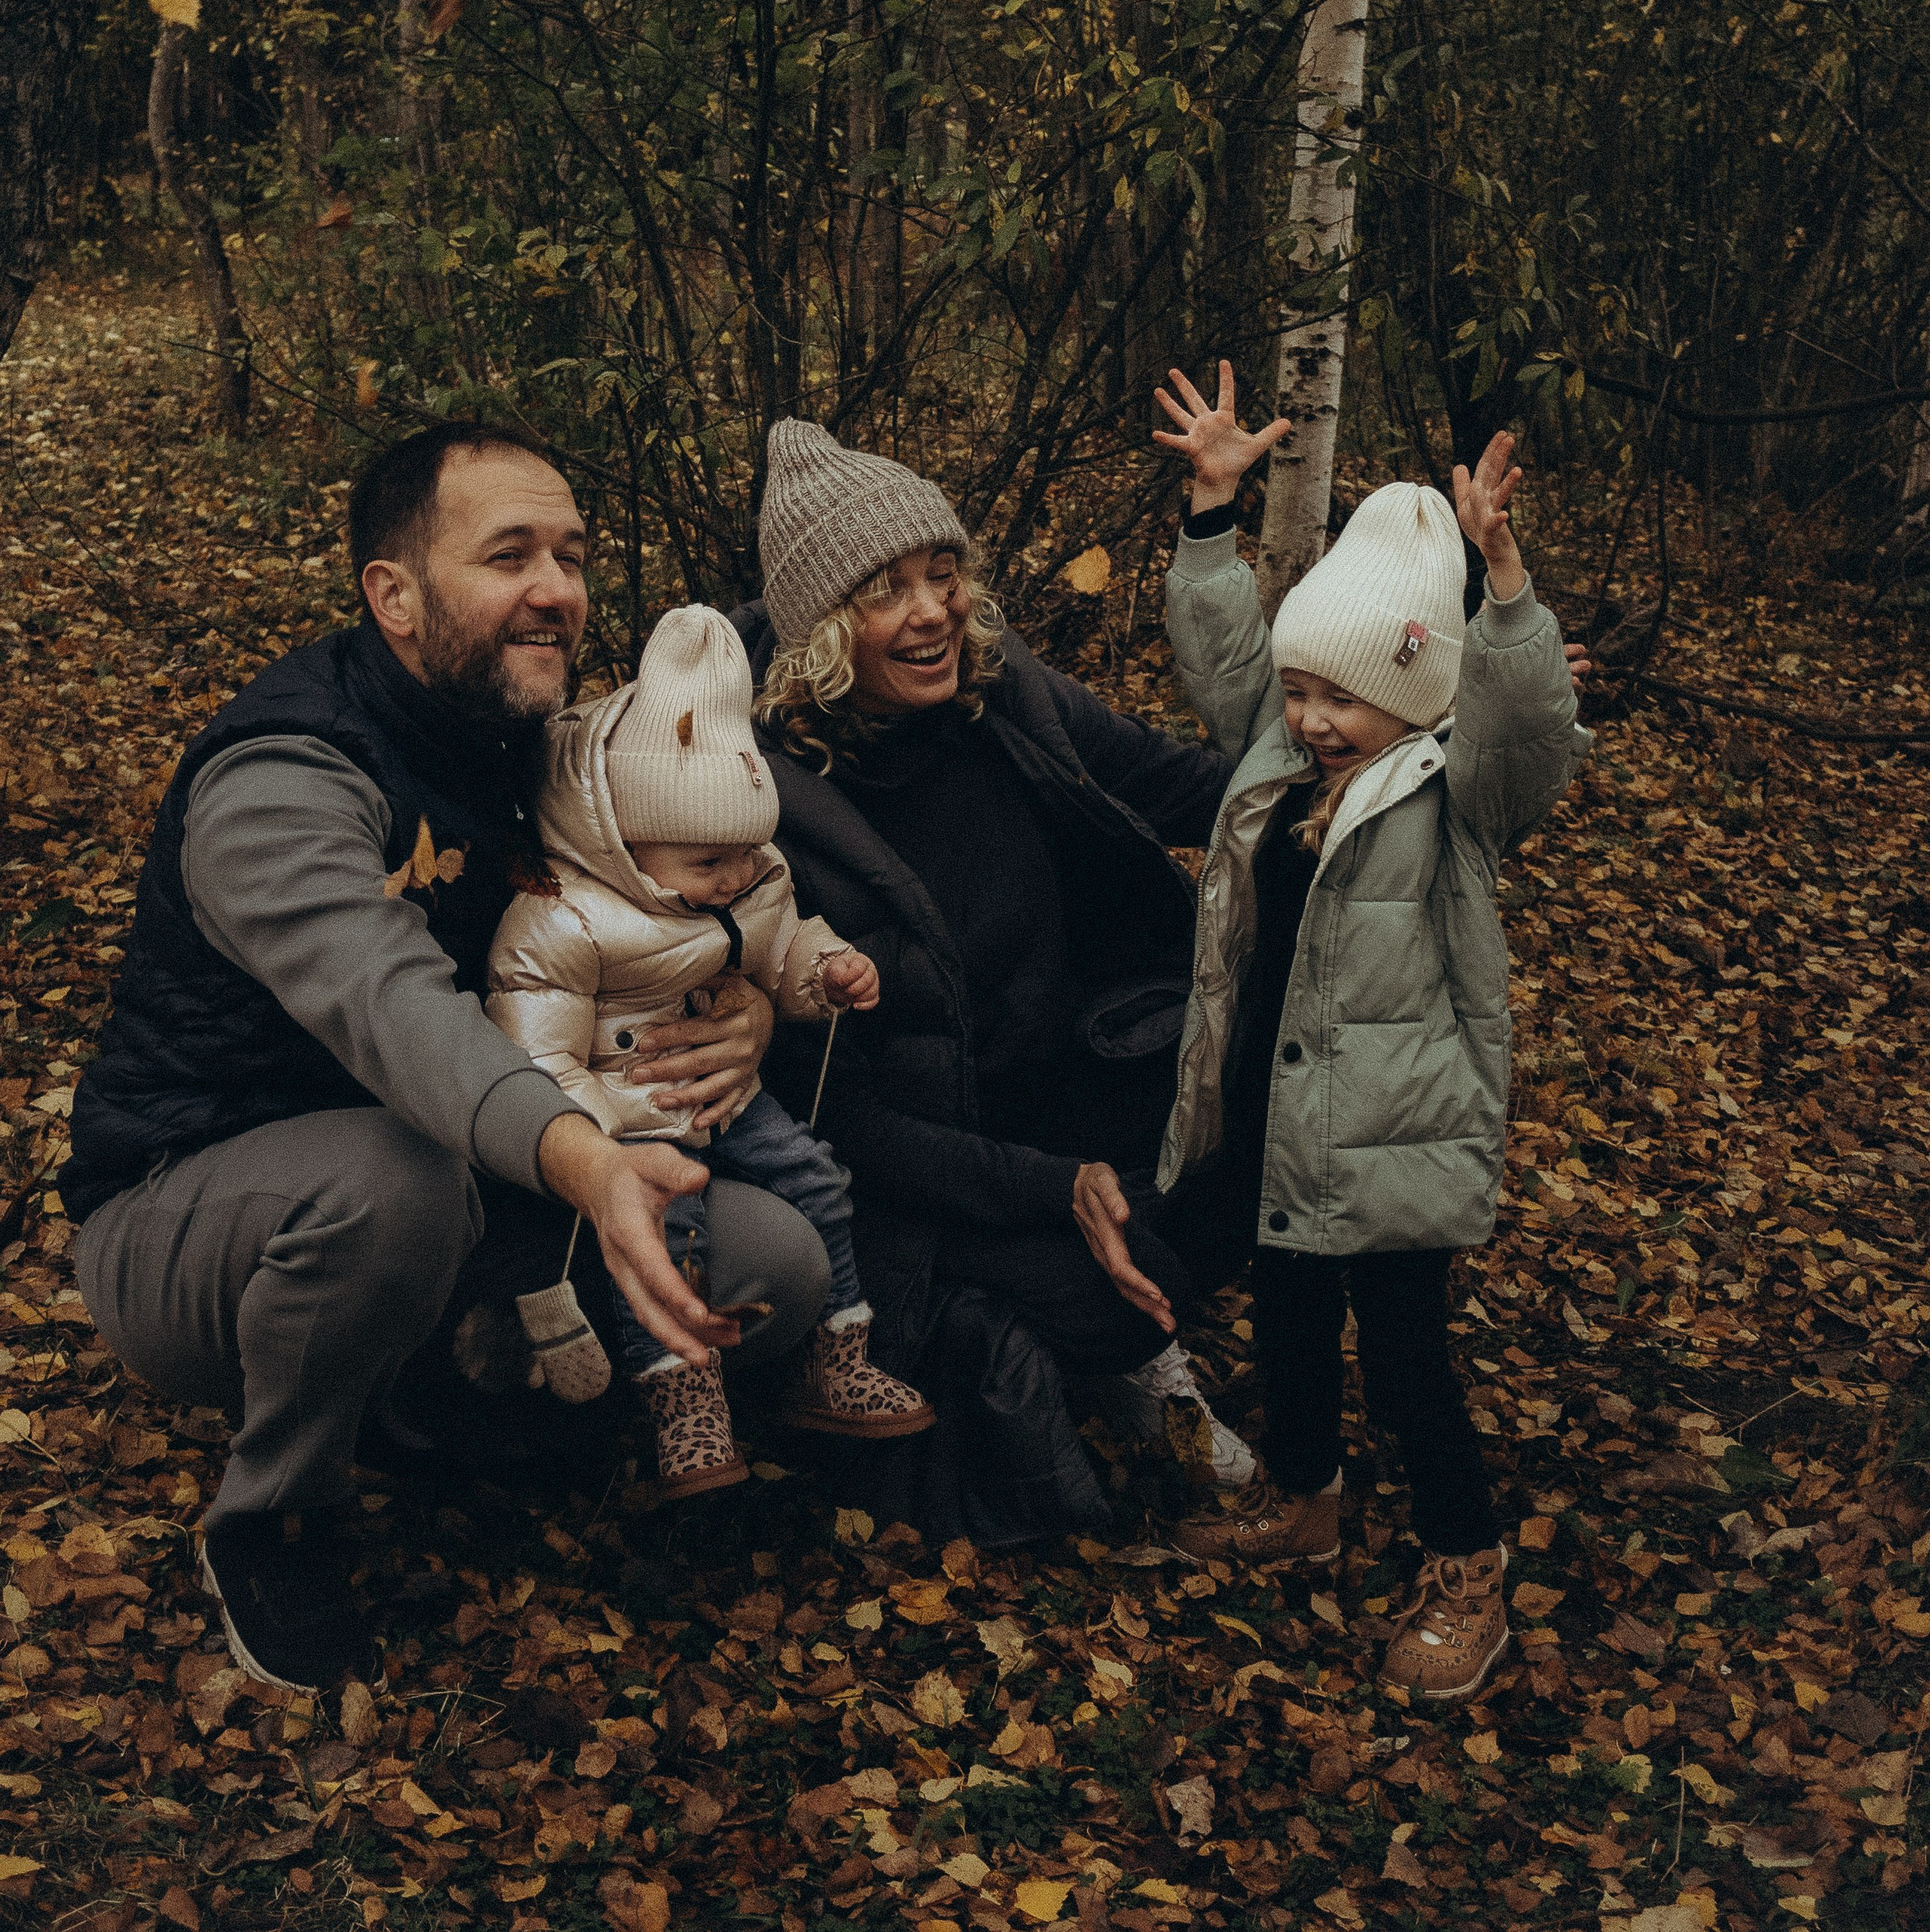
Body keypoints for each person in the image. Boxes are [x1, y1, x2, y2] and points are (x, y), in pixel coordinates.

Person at [66, 425, 832, 1694]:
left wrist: (749, 995)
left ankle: (430, 1405)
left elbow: (701, 870)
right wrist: (588, 1165)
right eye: (511, 555)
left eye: (574, 557)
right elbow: (389, 1005)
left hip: (480, 1189)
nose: (559, 588)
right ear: (395, 596)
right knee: (391, 1180)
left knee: (778, 1266)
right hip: (197, 1214)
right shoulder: (283, 776)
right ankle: (276, 1521)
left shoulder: (535, 743)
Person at [733, 418, 1252, 1550]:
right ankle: (1035, 1331)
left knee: (1261, 1153)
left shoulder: (1008, 696)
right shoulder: (765, 808)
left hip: (1067, 1091)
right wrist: (1046, 1188)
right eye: (886, 592)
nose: (933, 612)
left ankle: (1099, 1321)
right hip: (917, 1171)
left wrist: (1401, 745)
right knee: (1114, 1296)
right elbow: (831, 1115)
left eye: (942, 573)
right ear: (822, 629)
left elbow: (1194, 790)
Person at [1150, 364, 1585, 1702]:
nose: (1311, 719)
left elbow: (1533, 735)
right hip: (1289, 1116)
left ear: (1416, 696)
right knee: (1287, 1324)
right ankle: (1304, 1499)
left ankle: (1466, 1564)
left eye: (1340, 699)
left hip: (1397, 1132)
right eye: (1302, 692)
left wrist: (1502, 588)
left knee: (1404, 1362)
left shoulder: (1458, 794)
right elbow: (1227, 665)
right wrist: (1213, 520)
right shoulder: (1281, 764)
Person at [486, 603, 936, 1494]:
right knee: (669, 1233)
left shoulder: (747, 875)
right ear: (620, 843)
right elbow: (534, 1058)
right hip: (621, 1114)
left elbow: (780, 946)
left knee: (816, 1176)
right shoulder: (565, 920)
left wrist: (825, 974)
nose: (733, 876)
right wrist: (612, 1124)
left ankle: (837, 1355)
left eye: (744, 852)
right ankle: (681, 1403)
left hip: (728, 1098)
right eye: (704, 863)